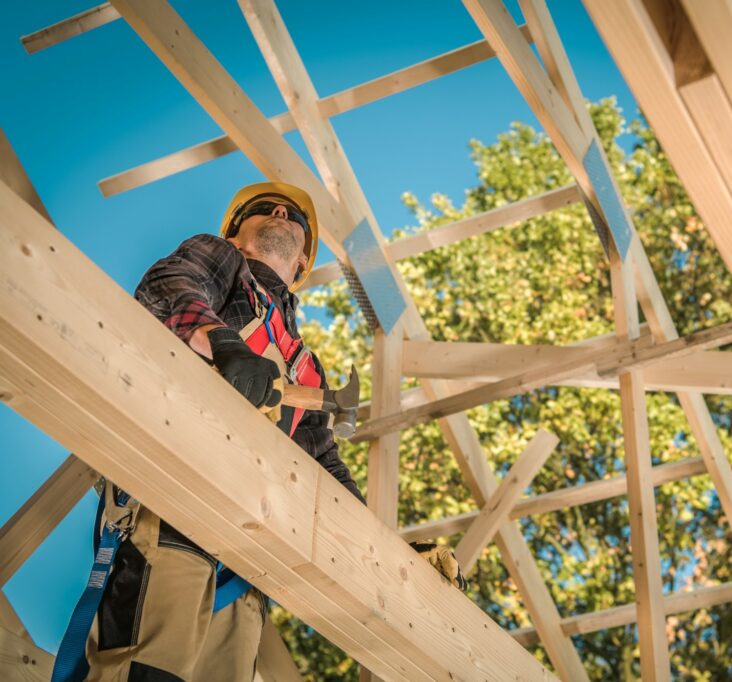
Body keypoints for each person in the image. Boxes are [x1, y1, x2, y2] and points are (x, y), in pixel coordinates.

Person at [55, 183, 463, 682]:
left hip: (243, 566)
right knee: (149, 673)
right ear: (235, 231)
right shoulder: (221, 259)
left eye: (294, 216)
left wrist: (391, 558)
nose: (279, 211)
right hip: (178, 503)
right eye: (262, 209)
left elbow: (327, 477)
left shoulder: (306, 370)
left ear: (304, 261)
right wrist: (222, 342)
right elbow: (169, 285)